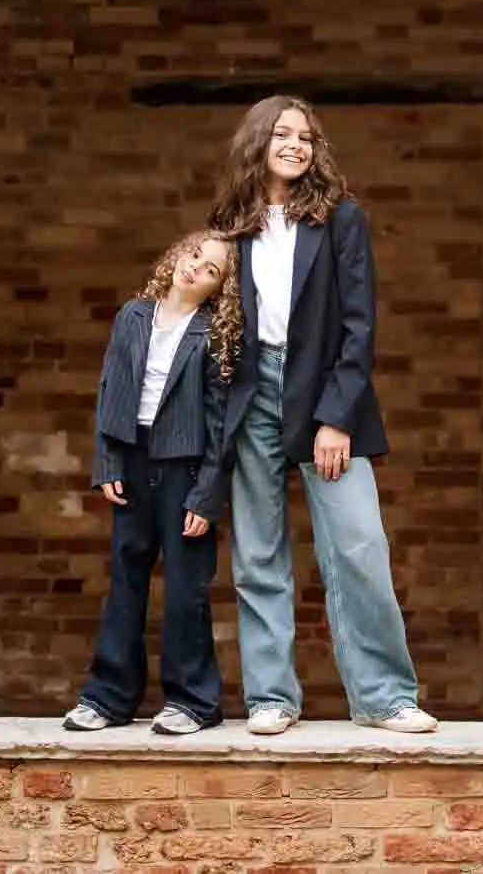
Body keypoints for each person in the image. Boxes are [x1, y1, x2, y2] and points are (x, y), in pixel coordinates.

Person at [208, 95, 436, 735]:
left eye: (305, 137)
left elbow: (359, 324)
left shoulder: (339, 219)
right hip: (252, 394)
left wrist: (336, 417)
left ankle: (387, 695)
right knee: (258, 551)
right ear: (258, 143)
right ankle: (270, 696)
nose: (295, 145)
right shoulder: (231, 223)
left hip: (324, 394)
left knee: (359, 545)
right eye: (282, 134)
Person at [63, 229, 238, 735]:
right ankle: (108, 697)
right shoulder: (133, 317)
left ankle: (193, 701)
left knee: (186, 589)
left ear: (218, 289)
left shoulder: (212, 336)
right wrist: (108, 462)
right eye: (193, 256)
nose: (196, 269)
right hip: (133, 463)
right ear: (176, 255)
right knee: (125, 581)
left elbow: (221, 423)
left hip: (184, 471)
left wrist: (207, 495)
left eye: (211, 270)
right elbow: (109, 390)